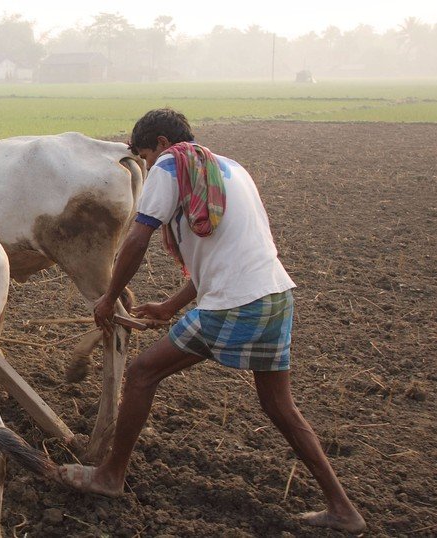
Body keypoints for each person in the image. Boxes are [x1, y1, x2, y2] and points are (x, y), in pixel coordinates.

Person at [58, 108, 366, 533]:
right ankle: (343, 509)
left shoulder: (171, 165)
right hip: (275, 296)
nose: (147, 165)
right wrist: (170, 305)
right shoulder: (230, 169)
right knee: (280, 407)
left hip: (233, 306)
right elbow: (227, 253)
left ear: (162, 144)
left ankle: (110, 476)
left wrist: (109, 297)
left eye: (145, 156)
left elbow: (138, 237)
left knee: (143, 373)